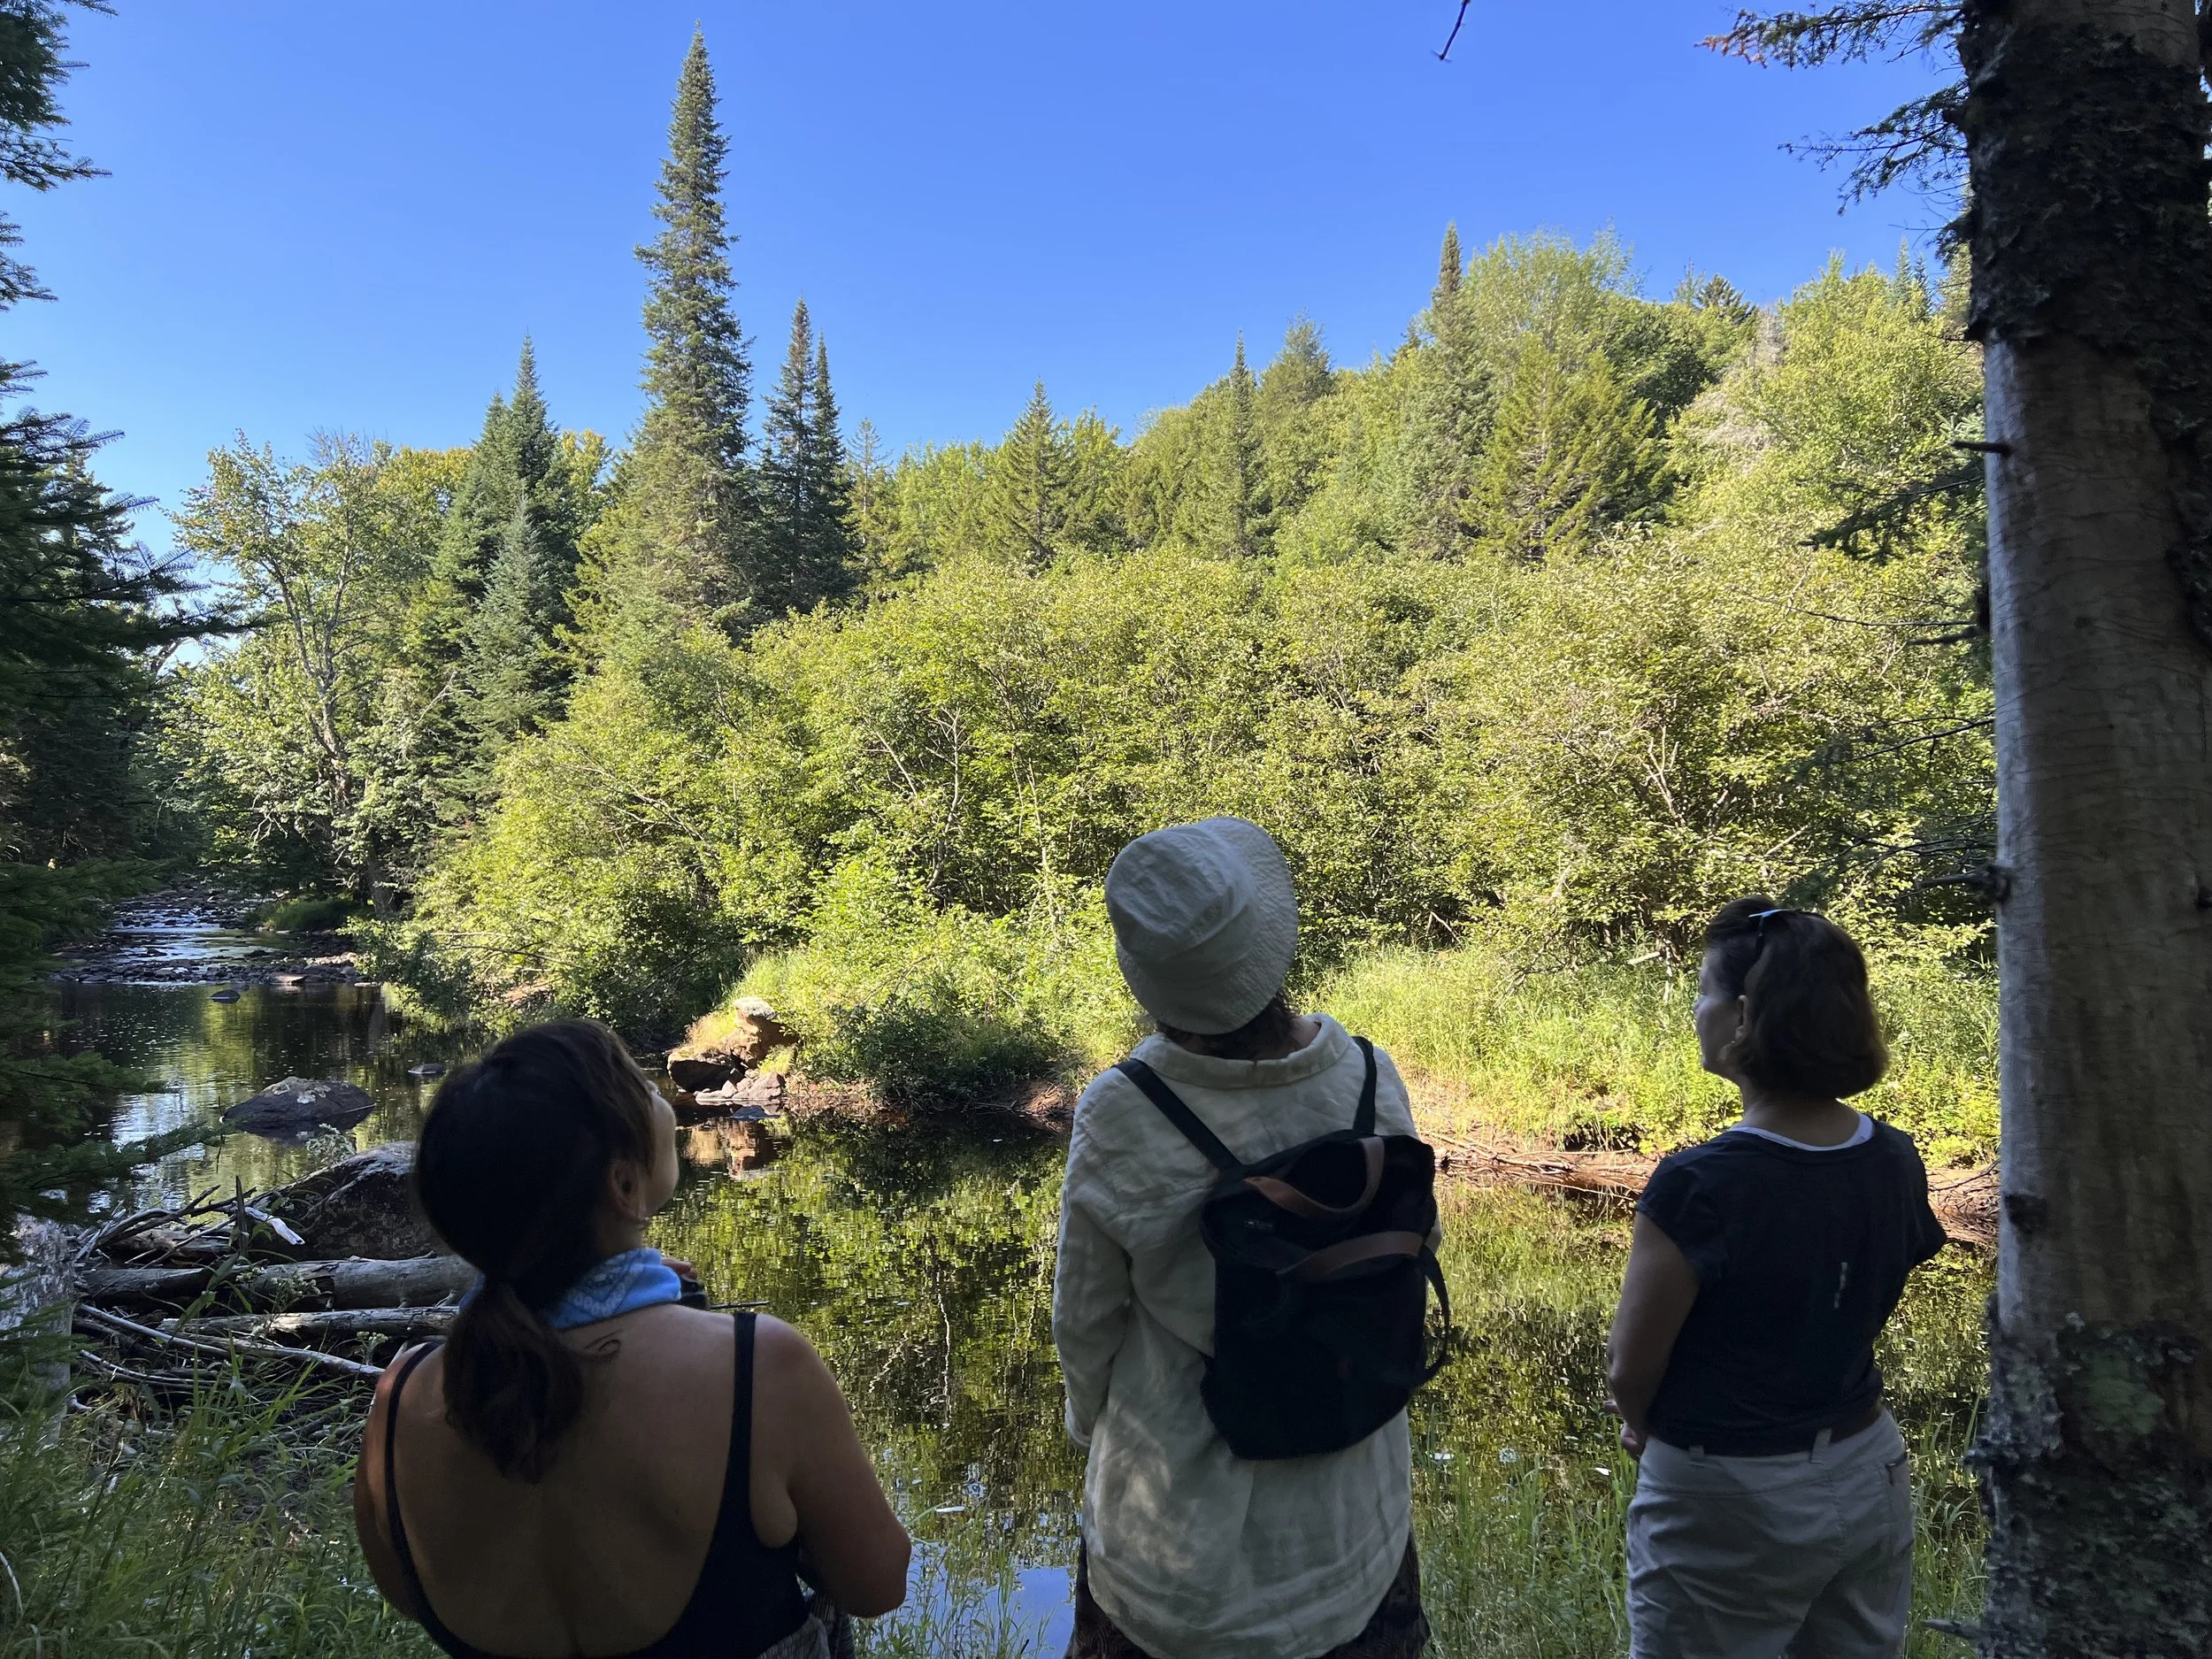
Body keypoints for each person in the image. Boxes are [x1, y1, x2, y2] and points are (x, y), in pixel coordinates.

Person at [354, 1019, 910, 1659]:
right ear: (622, 1184)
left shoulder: (401, 1399)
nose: (656, 1092)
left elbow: (406, 1589)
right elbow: (877, 1583)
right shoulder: (759, 1368)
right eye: (636, 1084)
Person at [1053, 818, 1431, 1659]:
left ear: (1152, 978)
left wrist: (1089, 1426)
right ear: (1269, 944)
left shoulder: (1121, 1110)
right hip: (1353, 1538)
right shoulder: (1368, 1074)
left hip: (1178, 1573)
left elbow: (1084, 1321)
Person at [1607, 900, 1947, 1659]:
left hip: (1729, 1494)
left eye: (1702, 990)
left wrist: (1641, 1421)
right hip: (1869, 1467)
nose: (1693, 1008)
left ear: (1742, 1016)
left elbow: (1632, 1368)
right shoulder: (1895, 1155)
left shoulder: (1698, 1183)